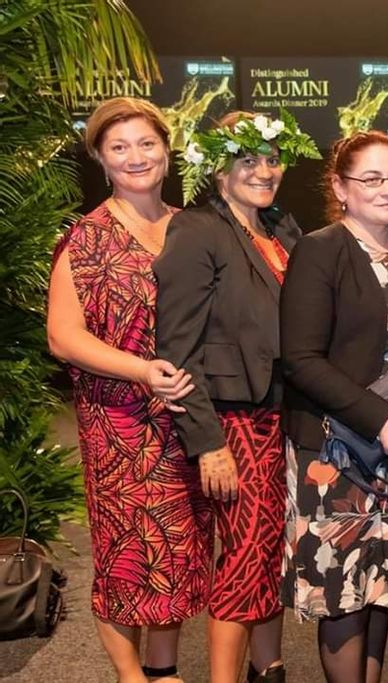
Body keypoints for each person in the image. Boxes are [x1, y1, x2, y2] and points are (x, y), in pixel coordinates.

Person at [46, 97, 210, 683]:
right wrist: (141, 370)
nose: (136, 156)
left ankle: (163, 669)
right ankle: (130, 677)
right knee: (128, 557)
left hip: (189, 421)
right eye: (120, 147)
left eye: (146, 143)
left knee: (177, 551)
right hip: (120, 427)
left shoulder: (192, 226)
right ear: (99, 157)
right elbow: (63, 338)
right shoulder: (85, 239)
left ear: (167, 150)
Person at [154, 110, 318, 683]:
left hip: (283, 418)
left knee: (270, 553)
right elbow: (176, 349)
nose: (264, 170)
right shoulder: (198, 230)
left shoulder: (282, 230)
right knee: (247, 557)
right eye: (248, 159)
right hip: (233, 424)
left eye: (272, 159)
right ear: (219, 170)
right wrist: (207, 444)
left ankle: (266, 670)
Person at [279, 131, 388, 682]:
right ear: (340, 187)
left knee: (378, 586)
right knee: (343, 593)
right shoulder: (321, 248)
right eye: (370, 179)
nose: (385, 189)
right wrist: (382, 419)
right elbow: (300, 359)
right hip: (339, 456)